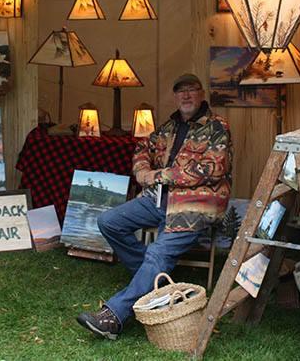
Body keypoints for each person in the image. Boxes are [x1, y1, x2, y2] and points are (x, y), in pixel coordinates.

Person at [76, 73, 232, 340]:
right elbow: (142, 148)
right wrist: (141, 170)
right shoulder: (169, 127)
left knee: (158, 252)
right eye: (180, 91)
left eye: (191, 90)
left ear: (201, 94)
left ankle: (113, 317)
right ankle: (153, 279)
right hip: (161, 199)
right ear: (175, 96)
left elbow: (213, 169)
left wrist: (159, 176)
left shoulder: (217, 127)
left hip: (196, 205)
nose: (186, 96)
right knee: (109, 222)